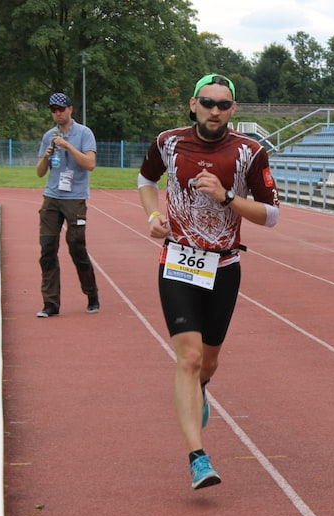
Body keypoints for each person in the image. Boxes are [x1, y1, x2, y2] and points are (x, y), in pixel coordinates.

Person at [137, 74, 280, 489]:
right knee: (189, 357)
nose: (215, 110)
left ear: (233, 109)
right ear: (193, 104)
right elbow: (147, 181)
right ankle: (198, 458)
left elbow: (272, 215)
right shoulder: (168, 142)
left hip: (224, 265)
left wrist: (226, 196)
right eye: (208, 102)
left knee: (209, 360)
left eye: (223, 104)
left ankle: (201, 390)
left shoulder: (250, 152)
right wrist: (151, 217)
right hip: (178, 261)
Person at [35, 92, 100, 318]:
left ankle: (92, 295)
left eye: (61, 109)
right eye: (53, 110)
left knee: (76, 247)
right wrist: (47, 155)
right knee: (48, 250)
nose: (57, 113)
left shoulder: (84, 133)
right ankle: (50, 303)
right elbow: (40, 173)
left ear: (71, 109)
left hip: (75, 198)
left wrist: (68, 147)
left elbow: (90, 164)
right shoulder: (48, 136)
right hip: (52, 197)